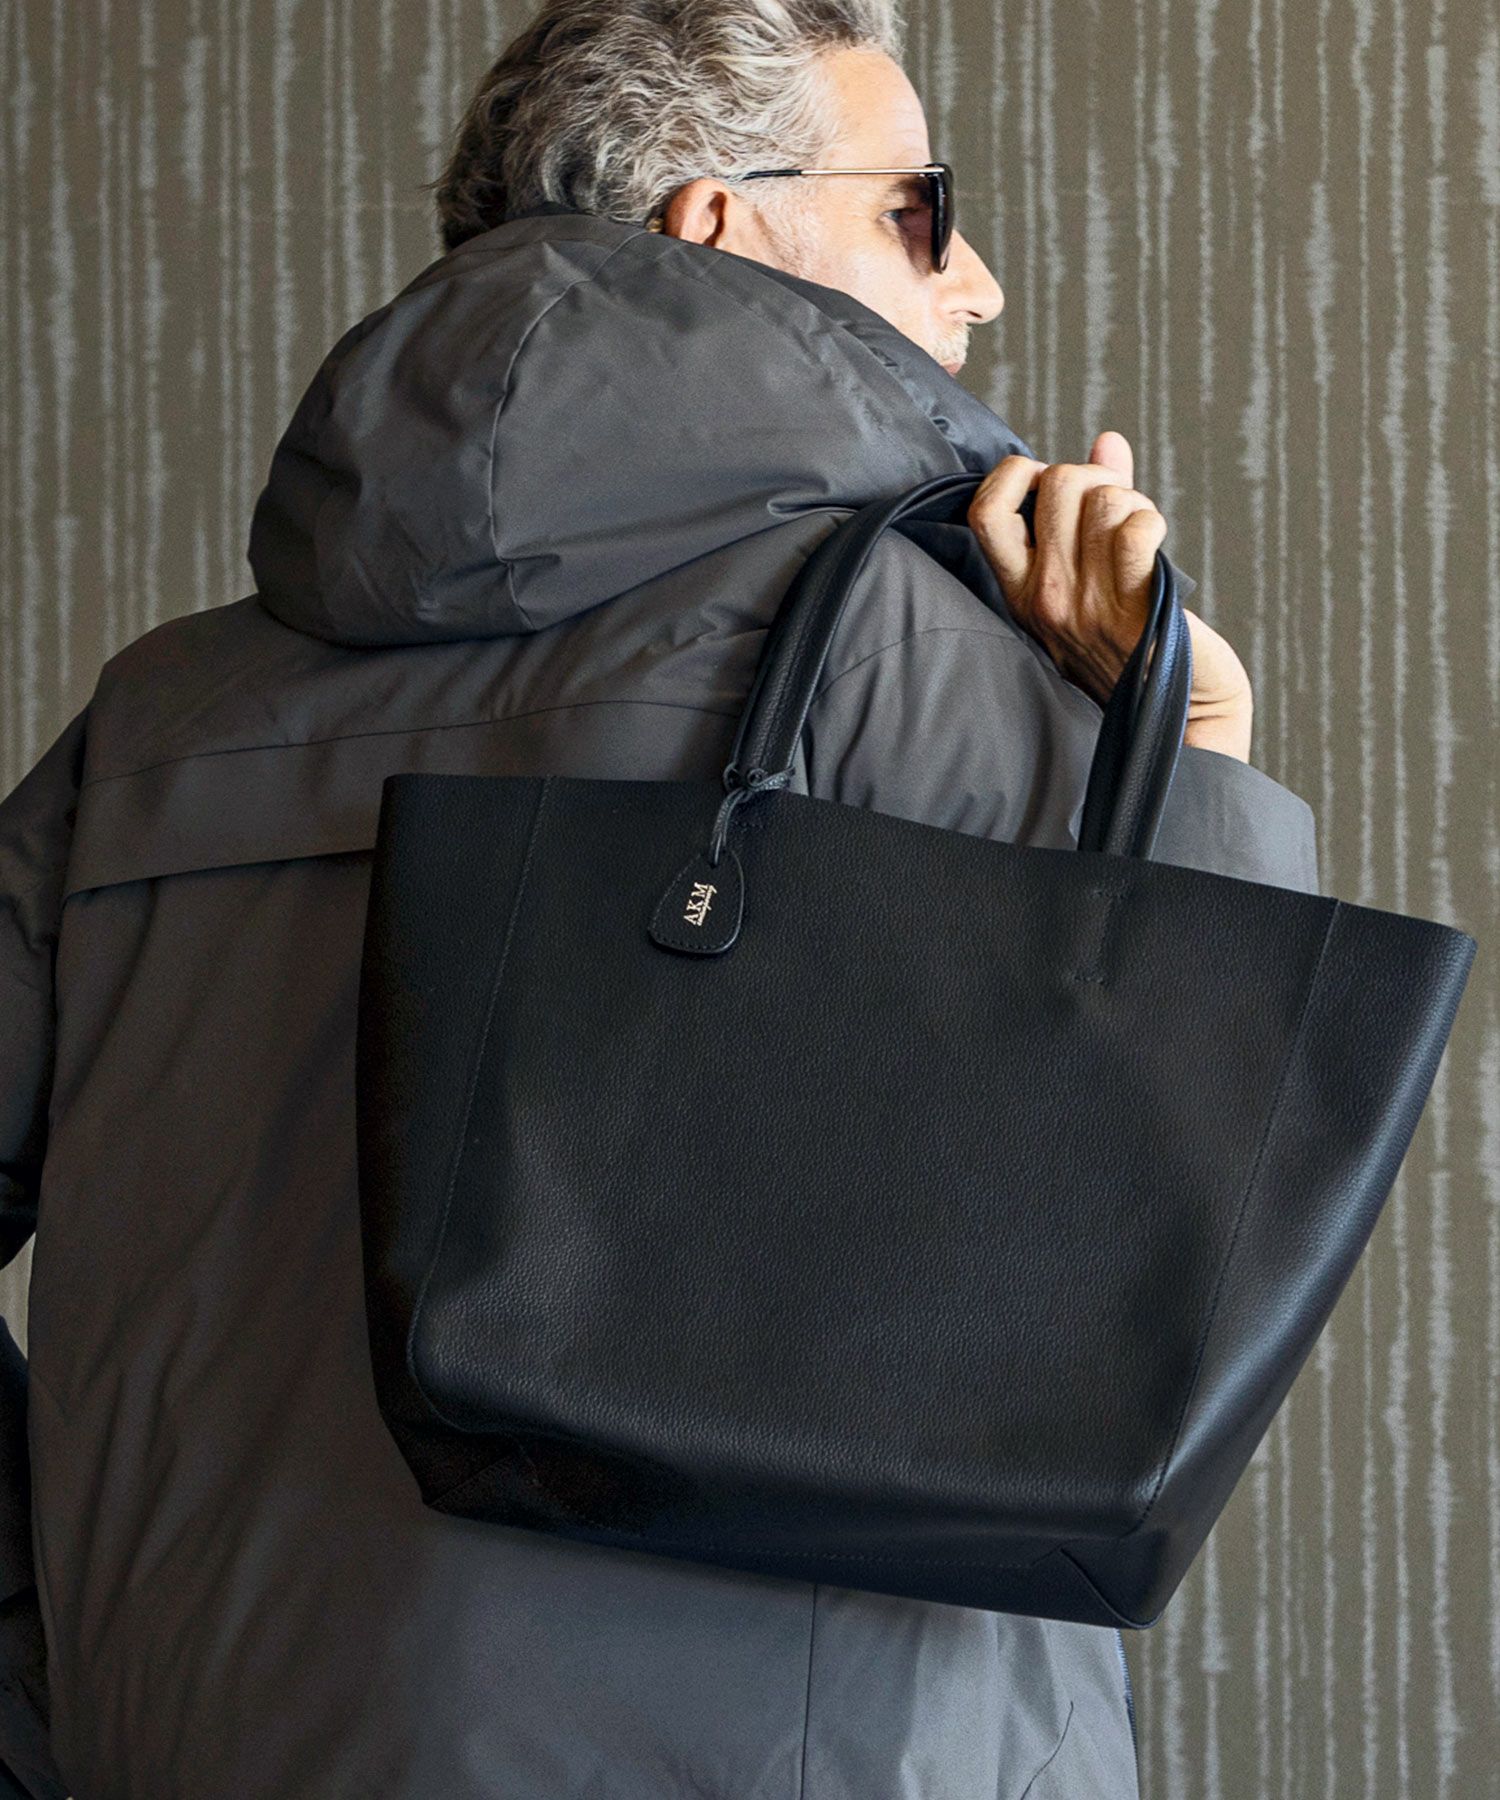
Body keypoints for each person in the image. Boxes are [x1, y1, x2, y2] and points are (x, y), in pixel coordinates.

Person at [0, 1, 1318, 1794]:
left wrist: (64, 1647)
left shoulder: (155, 714)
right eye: (921, 209)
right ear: (717, 221)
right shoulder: (945, 675)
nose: (977, 281)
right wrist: (1192, 748)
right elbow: (1174, 1298)